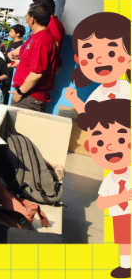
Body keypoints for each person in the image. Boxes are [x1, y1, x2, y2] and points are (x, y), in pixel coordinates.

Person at [76, 99, 131, 278]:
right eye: (100, 143)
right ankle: (126, 266)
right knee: (124, 243)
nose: (110, 147)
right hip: (120, 216)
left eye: (121, 139)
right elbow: (101, 203)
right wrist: (123, 197)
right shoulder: (110, 180)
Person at [64, 12, 131, 113]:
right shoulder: (99, 93)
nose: (100, 60)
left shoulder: (125, 89)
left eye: (111, 53)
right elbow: (88, 114)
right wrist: (74, 100)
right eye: (90, 55)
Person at [9, 3, 57, 112]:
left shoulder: (41, 40)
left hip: (28, 97)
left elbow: (37, 73)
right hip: (28, 95)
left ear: (32, 19)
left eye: (27, 16)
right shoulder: (41, 37)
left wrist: (20, 92)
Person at [4, 24, 25, 101]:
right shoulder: (11, 42)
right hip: (6, 69)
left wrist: (10, 64)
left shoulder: (21, 44)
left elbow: (18, 59)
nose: (9, 33)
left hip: (12, 70)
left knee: (7, 90)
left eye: (11, 31)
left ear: (18, 34)